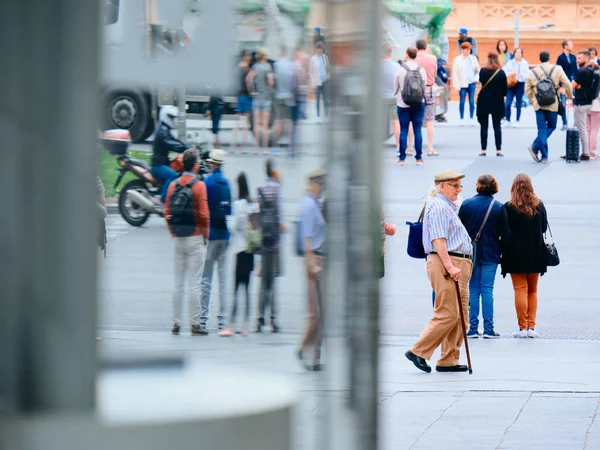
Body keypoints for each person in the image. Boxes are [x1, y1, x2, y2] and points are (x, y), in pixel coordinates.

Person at [405, 170, 473, 374]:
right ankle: (418, 351)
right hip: (447, 262)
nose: (458, 190)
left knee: (462, 316)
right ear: (441, 186)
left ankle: (449, 359)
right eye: (454, 185)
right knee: (448, 313)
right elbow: (438, 240)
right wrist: (450, 266)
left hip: (457, 263)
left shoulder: (447, 207)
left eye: (460, 186)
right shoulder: (438, 206)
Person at [164, 149, 210, 336]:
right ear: (196, 165)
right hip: (195, 237)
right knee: (195, 283)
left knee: (178, 283)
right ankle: (194, 324)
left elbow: (166, 211)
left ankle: (176, 323)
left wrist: (173, 232)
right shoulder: (199, 186)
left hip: (179, 238)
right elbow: (205, 215)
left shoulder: (173, 185)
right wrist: (204, 236)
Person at [458, 175, 508, 339]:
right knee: (487, 290)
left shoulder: (466, 204)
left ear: (478, 186)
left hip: (470, 253)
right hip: (491, 253)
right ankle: (488, 328)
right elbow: (504, 234)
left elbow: (460, 230)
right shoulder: (498, 207)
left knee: (472, 289)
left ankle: (472, 328)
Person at [501, 174, 548, 339]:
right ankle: (531, 326)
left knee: (520, 289)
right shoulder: (539, 205)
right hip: (536, 252)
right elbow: (543, 229)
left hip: (515, 254)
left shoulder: (508, 207)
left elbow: (504, 232)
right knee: (533, 290)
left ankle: (522, 328)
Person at [219, 172, 258, 337]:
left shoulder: (237, 205)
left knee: (235, 288)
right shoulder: (253, 205)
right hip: (250, 250)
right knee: (247, 289)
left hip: (239, 249)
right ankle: (245, 325)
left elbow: (234, 228)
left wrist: (228, 220)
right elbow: (256, 227)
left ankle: (231, 324)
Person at [297, 168, 327, 372]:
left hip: (319, 258)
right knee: (315, 312)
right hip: (314, 259)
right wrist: (311, 264)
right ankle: (304, 350)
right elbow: (306, 237)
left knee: (321, 312)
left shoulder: (315, 202)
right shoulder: (308, 204)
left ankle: (314, 354)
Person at [200, 149, 232, 334]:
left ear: (212, 163)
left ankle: (203, 318)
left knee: (206, 278)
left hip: (210, 235)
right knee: (223, 279)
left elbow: (203, 211)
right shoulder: (226, 184)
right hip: (224, 235)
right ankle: (222, 320)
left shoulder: (207, 183)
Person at [525, 51, 573, 163]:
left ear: (539, 59)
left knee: (541, 129)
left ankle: (543, 155)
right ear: (549, 58)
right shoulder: (557, 69)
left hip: (539, 104)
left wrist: (533, 101)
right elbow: (567, 84)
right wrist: (570, 95)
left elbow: (527, 90)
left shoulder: (533, 72)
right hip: (552, 104)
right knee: (551, 126)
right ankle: (535, 147)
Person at [256, 160, 284, 333]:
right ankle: (273, 319)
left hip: (263, 239)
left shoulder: (260, 188)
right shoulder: (276, 188)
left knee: (262, 281)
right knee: (272, 280)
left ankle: (259, 318)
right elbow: (278, 215)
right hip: (274, 240)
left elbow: (258, 214)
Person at [394, 46, 427, 166]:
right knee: (417, 130)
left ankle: (402, 158)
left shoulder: (400, 69)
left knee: (404, 130)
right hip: (419, 103)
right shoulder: (421, 69)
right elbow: (424, 85)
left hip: (403, 103)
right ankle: (419, 158)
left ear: (407, 54)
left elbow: (395, 86)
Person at [151, 105, 188, 203]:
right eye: (171, 117)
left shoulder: (165, 129)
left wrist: (187, 147)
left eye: (173, 118)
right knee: (173, 175)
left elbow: (174, 141)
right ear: (165, 116)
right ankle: (162, 200)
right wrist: (186, 148)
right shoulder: (163, 131)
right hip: (158, 165)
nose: (173, 120)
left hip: (162, 163)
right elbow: (171, 143)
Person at [477, 51, 508, 157]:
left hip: (484, 100)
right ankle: (499, 149)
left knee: (484, 126)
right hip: (497, 101)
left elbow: (481, 81)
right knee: (497, 126)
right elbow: (505, 89)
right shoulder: (501, 73)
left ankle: (483, 149)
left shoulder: (483, 71)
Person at [247, 48, 275, 154]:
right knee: (265, 125)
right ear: (264, 56)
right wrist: (270, 90)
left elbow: (248, 80)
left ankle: (256, 147)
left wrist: (252, 91)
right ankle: (265, 148)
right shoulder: (268, 67)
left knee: (256, 124)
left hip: (256, 97)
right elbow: (271, 81)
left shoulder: (255, 67)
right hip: (266, 98)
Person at [415, 39, 439, 156]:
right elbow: (435, 74)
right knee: (429, 121)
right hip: (429, 90)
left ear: (416, 47)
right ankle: (430, 148)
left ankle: (413, 148)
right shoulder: (432, 58)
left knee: (414, 121)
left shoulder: (413, 58)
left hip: (415, 91)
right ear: (426, 47)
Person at [571, 50, 595, 161]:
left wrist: (576, 86)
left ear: (586, 59)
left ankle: (585, 153)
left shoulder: (583, 72)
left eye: (579, 58)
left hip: (581, 103)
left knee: (581, 128)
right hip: (588, 102)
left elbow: (572, 85)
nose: (577, 60)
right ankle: (574, 150)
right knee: (579, 126)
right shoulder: (592, 70)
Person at [272, 46, 296, 155]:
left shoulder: (276, 65)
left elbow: (273, 81)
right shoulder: (291, 64)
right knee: (288, 121)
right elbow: (294, 81)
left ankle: (275, 146)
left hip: (278, 96)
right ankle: (290, 145)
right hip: (289, 96)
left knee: (278, 121)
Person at [231, 50, 253, 153]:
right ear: (245, 56)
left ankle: (233, 146)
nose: (249, 57)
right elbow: (249, 83)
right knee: (245, 123)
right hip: (246, 97)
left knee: (239, 122)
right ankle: (243, 147)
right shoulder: (247, 69)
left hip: (239, 96)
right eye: (248, 55)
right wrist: (251, 92)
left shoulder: (236, 68)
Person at [452, 42, 480, 126]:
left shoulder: (473, 58)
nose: (466, 51)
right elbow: (455, 73)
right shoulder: (457, 60)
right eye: (464, 49)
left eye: (468, 49)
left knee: (472, 101)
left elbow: (478, 70)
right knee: (462, 101)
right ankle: (461, 118)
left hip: (472, 82)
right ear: (462, 50)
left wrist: (476, 79)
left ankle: (471, 118)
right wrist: (457, 86)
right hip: (462, 84)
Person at [503, 47, 530, 127]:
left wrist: (523, 75)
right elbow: (504, 71)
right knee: (508, 103)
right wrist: (511, 73)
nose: (518, 54)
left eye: (520, 52)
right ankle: (507, 119)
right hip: (511, 84)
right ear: (514, 54)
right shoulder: (510, 63)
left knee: (518, 103)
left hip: (520, 84)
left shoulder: (525, 63)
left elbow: (528, 74)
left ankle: (517, 120)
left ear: (522, 54)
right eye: (516, 52)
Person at [381, 43, 401, 153]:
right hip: (394, 97)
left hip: (380, 99)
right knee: (396, 122)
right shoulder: (396, 66)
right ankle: (398, 146)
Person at [556, 40, 578, 130]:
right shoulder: (560, 58)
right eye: (571, 45)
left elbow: (575, 70)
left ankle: (576, 122)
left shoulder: (573, 57)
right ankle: (564, 122)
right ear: (565, 46)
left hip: (573, 83)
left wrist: (577, 81)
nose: (572, 46)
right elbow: (558, 72)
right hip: (564, 83)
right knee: (563, 103)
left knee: (576, 103)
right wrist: (560, 86)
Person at [309, 43, 329, 122]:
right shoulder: (312, 59)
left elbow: (328, 68)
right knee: (317, 100)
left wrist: (328, 76)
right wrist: (312, 82)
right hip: (317, 81)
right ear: (316, 50)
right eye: (318, 49)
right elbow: (311, 71)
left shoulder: (325, 57)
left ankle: (325, 115)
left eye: (320, 49)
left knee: (325, 100)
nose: (319, 50)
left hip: (324, 81)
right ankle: (317, 116)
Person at [587, 64, 600, 158]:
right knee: (594, 129)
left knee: (587, 129)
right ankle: (592, 151)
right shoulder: (598, 80)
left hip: (586, 106)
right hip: (596, 107)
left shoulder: (586, 79)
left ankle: (586, 150)